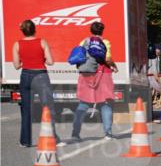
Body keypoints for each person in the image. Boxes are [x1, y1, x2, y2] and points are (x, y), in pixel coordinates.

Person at [12, 19, 62, 147]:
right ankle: (52, 138)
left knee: (26, 110)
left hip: (25, 76)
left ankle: (25, 141)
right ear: (35, 29)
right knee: (48, 108)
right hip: (40, 76)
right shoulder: (42, 42)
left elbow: (17, 66)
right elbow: (50, 62)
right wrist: (41, 58)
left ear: (22, 31)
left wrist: (26, 61)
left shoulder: (17, 44)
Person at [70, 21, 118, 142]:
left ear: (91, 30)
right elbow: (107, 58)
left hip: (86, 75)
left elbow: (79, 56)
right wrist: (114, 66)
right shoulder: (105, 42)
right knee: (105, 104)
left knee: (83, 104)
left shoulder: (84, 41)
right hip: (103, 75)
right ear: (102, 30)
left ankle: (75, 134)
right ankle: (108, 133)